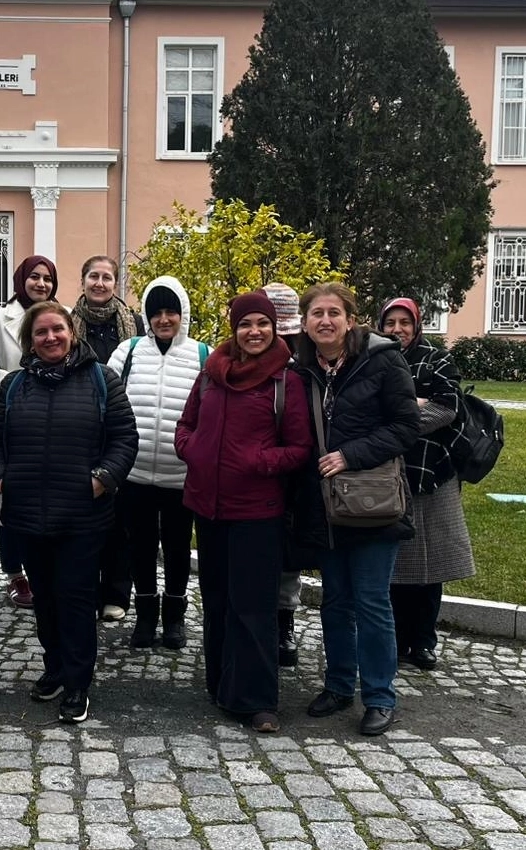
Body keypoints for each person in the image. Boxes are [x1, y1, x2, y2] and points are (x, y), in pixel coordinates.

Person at [0, 301, 138, 724]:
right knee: (45, 601)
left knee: (76, 600)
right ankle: (54, 667)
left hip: (82, 517)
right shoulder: (15, 385)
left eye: (58, 329)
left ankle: (77, 683)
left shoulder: (101, 379)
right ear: (30, 341)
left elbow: (124, 438)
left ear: (72, 332)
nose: (50, 337)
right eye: (41, 332)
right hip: (27, 515)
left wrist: (102, 479)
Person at [175, 292, 312, 733]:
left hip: (257, 510)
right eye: (245, 324)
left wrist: (260, 461)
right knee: (216, 600)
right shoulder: (211, 375)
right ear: (234, 330)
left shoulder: (285, 382)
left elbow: (300, 448)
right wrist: (192, 450)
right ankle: (221, 684)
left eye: (262, 323)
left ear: (274, 328)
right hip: (208, 505)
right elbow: (186, 424)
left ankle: (257, 700)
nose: (254, 332)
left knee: (252, 605)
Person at [291, 282, 420, 737]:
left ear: (350, 319)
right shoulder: (302, 367)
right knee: (335, 600)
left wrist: (351, 454)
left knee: (371, 601)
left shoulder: (382, 360)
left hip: (372, 501)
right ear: (305, 322)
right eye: (317, 313)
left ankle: (380, 696)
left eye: (334, 313)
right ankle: (339, 685)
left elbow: (406, 426)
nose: (325, 321)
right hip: (325, 504)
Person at [105, 275, 204, 650]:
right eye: (156, 312)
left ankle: (174, 618)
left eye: (171, 312)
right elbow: (107, 402)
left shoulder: (202, 355)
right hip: (134, 474)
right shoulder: (128, 351)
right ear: (147, 316)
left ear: (183, 314)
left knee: (178, 549)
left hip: (181, 476)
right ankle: (145, 616)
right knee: (140, 548)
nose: (164, 319)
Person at [378, 297, 475, 671]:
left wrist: (398, 423)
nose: (397, 329)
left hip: (432, 473)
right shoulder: (374, 359)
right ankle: (396, 639)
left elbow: (447, 407)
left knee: (429, 564)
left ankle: (423, 641)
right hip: (388, 474)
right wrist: (413, 405)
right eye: (390, 323)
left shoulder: (437, 359)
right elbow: (368, 407)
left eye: (404, 322)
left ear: (417, 325)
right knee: (394, 563)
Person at [0, 255, 60, 610]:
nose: (41, 284)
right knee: (9, 498)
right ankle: (15, 573)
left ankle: (46, 568)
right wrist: (21, 387)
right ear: (21, 280)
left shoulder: (61, 315)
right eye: (35, 277)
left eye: (47, 279)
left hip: (54, 418)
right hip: (12, 415)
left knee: (46, 496)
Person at [72, 255, 145, 621]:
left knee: (120, 520)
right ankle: (84, 591)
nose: (99, 283)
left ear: (116, 284)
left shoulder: (135, 324)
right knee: (84, 517)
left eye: (107, 277)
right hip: (80, 429)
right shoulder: (68, 322)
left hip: (120, 427)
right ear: (83, 280)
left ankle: (117, 592)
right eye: (93, 276)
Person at [263, 281, 306, 668]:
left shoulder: (305, 365)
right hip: (255, 473)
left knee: (289, 555)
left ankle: (284, 621)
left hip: (296, 472)